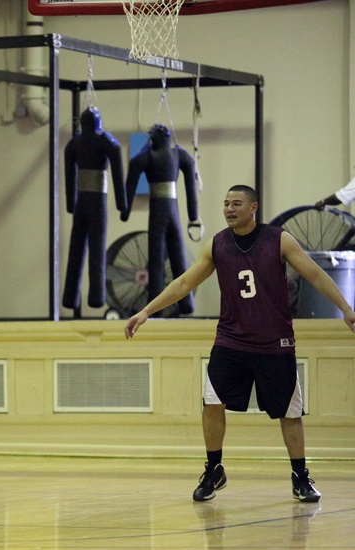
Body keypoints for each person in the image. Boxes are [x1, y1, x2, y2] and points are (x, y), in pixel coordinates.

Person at [125, 185, 355, 503]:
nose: (230, 209)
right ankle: (214, 470)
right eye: (226, 204)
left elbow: (315, 275)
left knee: (290, 411)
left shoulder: (279, 239)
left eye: (237, 203)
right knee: (212, 402)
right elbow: (184, 282)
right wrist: (146, 311)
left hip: (275, 342)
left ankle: (301, 476)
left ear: (253, 208)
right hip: (231, 340)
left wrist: (345, 308)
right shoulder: (218, 244)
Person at [122, 124, 200, 315]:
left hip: (157, 211)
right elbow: (191, 181)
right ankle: (186, 303)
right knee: (179, 257)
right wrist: (193, 215)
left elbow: (132, 174)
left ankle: (154, 307)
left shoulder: (147, 156)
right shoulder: (179, 155)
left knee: (156, 259)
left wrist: (124, 211)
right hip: (173, 211)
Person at [62, 106, 127, 312]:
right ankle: (96, 297)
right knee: (97, 250)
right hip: (98, 200)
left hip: (81, 201)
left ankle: (70, 297)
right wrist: (122, 204)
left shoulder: (74, 143)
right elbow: (117, 172)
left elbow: (68, 175)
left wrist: (70, 204)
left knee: (76, 250)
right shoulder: (106, 141)